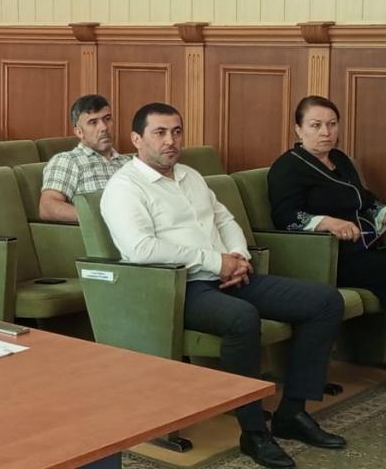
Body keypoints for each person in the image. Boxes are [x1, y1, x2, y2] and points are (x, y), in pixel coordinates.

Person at [100, 102, 346, 469]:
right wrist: (216, 261)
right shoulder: (124, 187)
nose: (170, 141)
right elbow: (140, 249)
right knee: (241, 317)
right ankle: (253, 432)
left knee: (325, 301)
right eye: (160, 133)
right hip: (177, 288)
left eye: (177, 132)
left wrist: (238, 256)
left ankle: (292, 413)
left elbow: (225, 219)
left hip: (229, 274)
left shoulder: (190, 176)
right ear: (136, 139)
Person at [268, 95, 386, 379]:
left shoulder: (340, 159)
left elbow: (367, 202)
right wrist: (327, 222)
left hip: (366, 246)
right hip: (330, 256)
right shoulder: (287, 168)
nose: (326, 132)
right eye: (316, 125)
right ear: (299, 129)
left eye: (332, 124)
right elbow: (285, 217)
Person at [39, 94, 131, 222]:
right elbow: (48, 208)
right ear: (79, 132)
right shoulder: (68, 160)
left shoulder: (128, 162)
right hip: (105, 229)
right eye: (93, 122)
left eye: (107, 119)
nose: (104, 127)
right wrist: (99, 218)